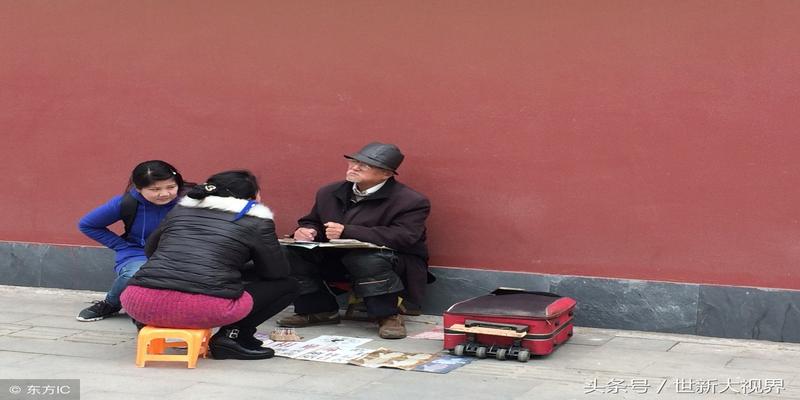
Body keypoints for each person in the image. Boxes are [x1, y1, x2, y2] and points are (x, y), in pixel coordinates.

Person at [121, 170, 298, 360]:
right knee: (287, 285)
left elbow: (151, 251)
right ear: (252, 196)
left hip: (139, 302)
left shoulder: (180, 210)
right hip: (203, 308)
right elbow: (275, 272)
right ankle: (233, 337)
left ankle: (147, 325)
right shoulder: (256, 220)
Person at [278, 142, 431, 339]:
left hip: (392, 260)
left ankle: (388, 315)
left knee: (365, 259)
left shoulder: (411, 201)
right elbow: (312, 220)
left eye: (364, 165)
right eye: (354, 161)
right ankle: (318, 310)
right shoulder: (329, 192)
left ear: (386, 174)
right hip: (334, 257)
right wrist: (306, 231)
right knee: (288, 253)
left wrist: (348, 231)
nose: (354, 167)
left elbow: (405, 236)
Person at [76, 160, 185, 322]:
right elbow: (88, 225)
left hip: (179, 253)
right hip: (138, 252)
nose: (164, 194)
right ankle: (111, 303)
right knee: (134, 273)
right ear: (139, 188)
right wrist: (120, 246)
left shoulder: (190, 203)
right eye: (155, 189)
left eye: (171, 187)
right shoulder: (125, 203)